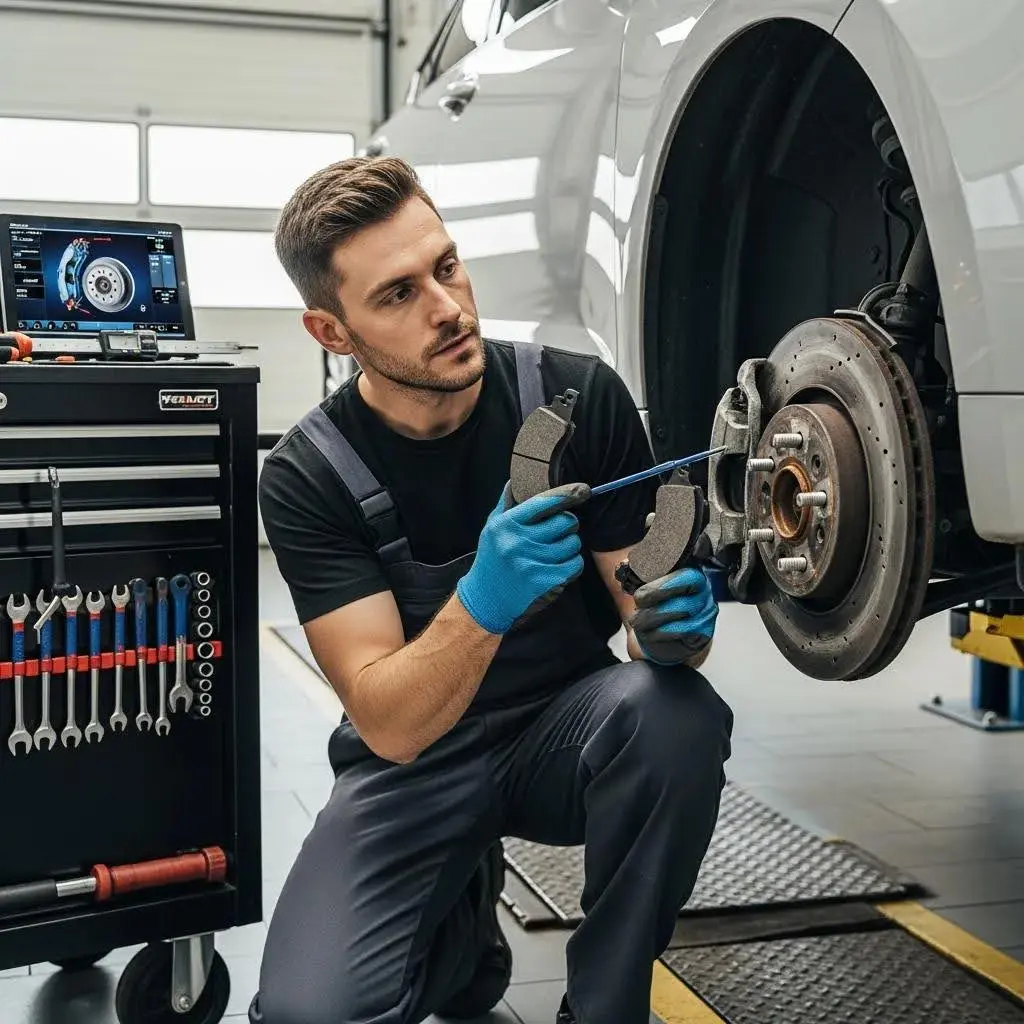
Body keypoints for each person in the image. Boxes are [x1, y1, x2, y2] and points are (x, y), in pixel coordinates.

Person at [250, 156, 733, 1024]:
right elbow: (388, 721)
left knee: (677, 714)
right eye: (398, 295)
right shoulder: (308, 475)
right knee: (308, 1013)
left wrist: (674, 629)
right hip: (414, 764)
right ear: (331, 332)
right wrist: (482, 600)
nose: (447, 308)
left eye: (445, 267)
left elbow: (650, 627)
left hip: (567, 734)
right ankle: (461, 930)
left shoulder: (577, 396)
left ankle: (606, 1007)